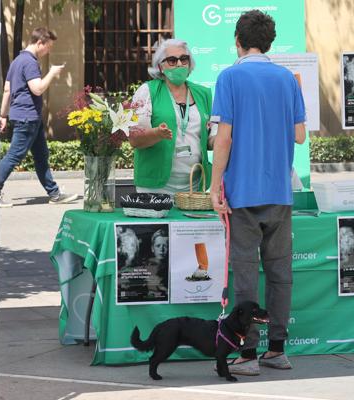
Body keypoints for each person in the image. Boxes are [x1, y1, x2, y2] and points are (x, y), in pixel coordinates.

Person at [209, 10, 306, 376]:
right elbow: (299, 135)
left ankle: (247, 354)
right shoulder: (286, 79)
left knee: (246, 274)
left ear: (237, 39)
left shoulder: (230, 77)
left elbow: (224, 138)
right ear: (269, 42)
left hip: (242, 193)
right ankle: (277, 350)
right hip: (279, 192)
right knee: (280, 273)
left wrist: (215, 184)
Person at [0, 27, 78, 207]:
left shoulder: (17, 61)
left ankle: (54, 194)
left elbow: (7, 90)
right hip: (28, 117)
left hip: (28, 117)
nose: (48, 51)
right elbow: (38, 88)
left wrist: (3, 115)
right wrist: (51, 73)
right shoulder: (29, 62)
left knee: (41, 156)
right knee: (14, 156)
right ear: (39, 42)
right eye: (48, 47)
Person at [130, 39, 215, 195]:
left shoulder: (204, 94)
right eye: (172, 60)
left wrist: (224, 138)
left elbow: (210, 139)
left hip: (194, 186)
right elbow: (134, 139)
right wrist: (157, 134)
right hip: (154, 187)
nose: (179, 64)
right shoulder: (147, 91)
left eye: (184, 59)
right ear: (160, 66)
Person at [143, 228, 169, 296]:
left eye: (165, 246)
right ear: (152, 248)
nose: (162, 249)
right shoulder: (145, 267)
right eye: (158, 246)